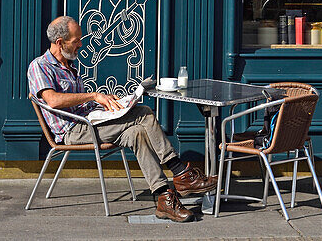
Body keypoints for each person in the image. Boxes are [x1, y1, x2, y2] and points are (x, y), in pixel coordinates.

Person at [27, 16, 215, 222]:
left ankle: (163, 198)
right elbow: (52, 100)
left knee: (137, 133)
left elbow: (80, 105)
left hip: (90, 121)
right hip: (72, 131)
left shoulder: (69, 67)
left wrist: (110, 103)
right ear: (60, 42)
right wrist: (94, 95)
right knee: (143, 113)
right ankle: (180, 172)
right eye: (76, 40)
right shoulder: (40, 66)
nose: (81, 44)